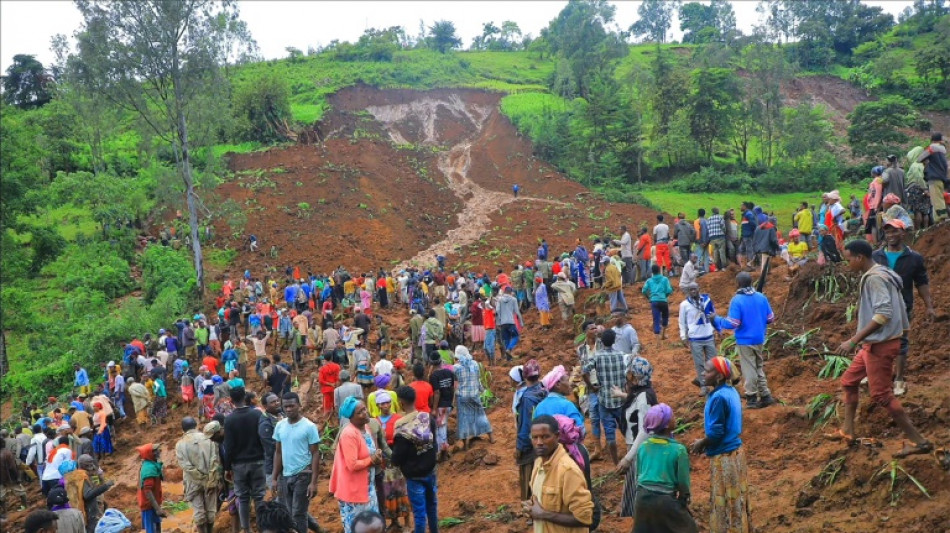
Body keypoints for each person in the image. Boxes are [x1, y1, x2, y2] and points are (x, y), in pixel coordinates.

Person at [829, 240, 933, 458]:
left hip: (880, 345)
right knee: (849, 382)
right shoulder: (883, 272)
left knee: (882, 395)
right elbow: (899, 307)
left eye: (849, 259)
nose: (847, 264)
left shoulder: (875, 278)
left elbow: (883, 314)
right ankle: (847, 431)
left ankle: (919, 442)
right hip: (874, 344)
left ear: (860, 258)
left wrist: (853, 340)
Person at [872, 219, 936, 397]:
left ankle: (899, 379)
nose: (891, 235)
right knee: (876, 339)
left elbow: (921, 283)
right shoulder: (876, 256)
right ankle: (876, 374)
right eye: (888, 232)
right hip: (878, 306)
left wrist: (929, 306)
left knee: (900, 342)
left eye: (895, 232)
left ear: (903, 233)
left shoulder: (914, 258)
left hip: (903, 305)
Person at [690, 357, 751, 533]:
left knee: (726, 501)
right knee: (737, 499)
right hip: (736, 453)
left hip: (725, 457)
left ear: (718, 376)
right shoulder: (730, 391)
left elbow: (716, 433)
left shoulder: (718, 398)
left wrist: (701, 443)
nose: (702, 373)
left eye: (707, 370)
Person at [713, 272, 777, 409]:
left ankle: (752, 397)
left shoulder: (737, 300)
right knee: (758, 366)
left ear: (738, 284)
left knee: (749, 368)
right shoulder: (761, 297)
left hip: (745, 340)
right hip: (759, 338)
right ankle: (765, 395)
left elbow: (732, 323)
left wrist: (716, 319)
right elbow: (771, 318)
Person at [631, 404, 696, 533]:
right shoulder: (678, 450)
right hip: (665, 501)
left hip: (642, 500)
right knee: (689, 528)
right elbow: (683, 482)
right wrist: (684, 499)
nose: (675, 418)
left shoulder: (644, 446)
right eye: (672, 415)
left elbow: (637, 475)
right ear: (666, 425)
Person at [524, 415, 594, 533]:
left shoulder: (568, 471)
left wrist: (543, 514)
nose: (539, 442)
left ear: (557, 436)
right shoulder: (538, 464)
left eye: (545, 437)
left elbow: (584, 518)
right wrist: (531, 508)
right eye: (534, 437)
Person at [329, 398, 382, 533]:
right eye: (360, 412)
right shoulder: (349, 434)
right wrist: (372, 460)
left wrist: (377, 456)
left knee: (370, 527)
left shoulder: (366, 428)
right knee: (358, 528)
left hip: (367, 488)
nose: (365, 413)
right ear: (351, 417)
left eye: (364, 409)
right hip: (353, 491)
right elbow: (352, 464)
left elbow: (370, 452)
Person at [390, 386, 438, 533]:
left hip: (414, 476)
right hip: (431, 470)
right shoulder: (427, 418)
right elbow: (434, 443)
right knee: (432, 506)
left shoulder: (401, 427)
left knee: (419, 513)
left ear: (401, 403)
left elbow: (397, 457)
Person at [272, 392, 322, 533]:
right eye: (285, 406)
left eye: (292, 406)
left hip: (303, 474)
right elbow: (278, 452)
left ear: (299, 405)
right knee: (288, 511)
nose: (288, 409)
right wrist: (275, 478)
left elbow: (315, 453)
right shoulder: (280, 426)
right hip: (285, 475)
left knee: (298, 513)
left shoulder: (309, 427)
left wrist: (313, 482)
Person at [223, 386, 266, 533]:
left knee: (243, 498)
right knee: (259, 496)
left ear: (230, 401)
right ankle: (262, 527)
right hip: (258, 462)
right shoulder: (257, 415)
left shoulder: (229, 420)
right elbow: (263, 438)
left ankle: (246, 529)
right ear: (245, 397)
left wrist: (227, 467)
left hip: (239, 465)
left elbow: (228, 446)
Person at [582, 329, 626, 465]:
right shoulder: (621, 355)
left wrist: (591, 387)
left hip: (604, 399)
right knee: (625, 428)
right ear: (613, 341)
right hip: (620, 398)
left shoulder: (597, 356)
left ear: (602, 342)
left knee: (610, 433)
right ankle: (632, 455)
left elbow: (584, 371)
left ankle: (616, 463)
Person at [175, 417, 221, 533]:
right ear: (196, 425)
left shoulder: (180, 444)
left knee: (199, 512)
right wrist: (210, 479)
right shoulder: (208, 438)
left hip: (193, 482)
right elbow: (215, 460)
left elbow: (186, 466)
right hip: (211, 480)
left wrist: (200, 478)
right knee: (211, 511)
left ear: (183, 429)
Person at [374, 393, 411, 531]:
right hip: (383, 464)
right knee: (388, 492)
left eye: (387, 402)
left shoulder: (398, 419)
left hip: (397, 460)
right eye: (382, 404)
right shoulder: (375, 421)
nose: (385, 406)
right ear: (378, 405)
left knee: (401, 490)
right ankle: (394, 521)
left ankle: (407, 522)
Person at [678, 282, 719, 395]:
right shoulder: (684, 305)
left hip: (708, 336)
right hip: (695, 338)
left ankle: (714, 384)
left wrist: (717, 328)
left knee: (713, 362)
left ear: (699, 288)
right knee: (699, 363)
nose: (693, 291)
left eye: (694, 289)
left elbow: (713, 314)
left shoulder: (706, 301)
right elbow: (682, 322)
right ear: (688, 291)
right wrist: (683, 336)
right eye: (690, 290)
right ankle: (703, 386)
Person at [453, 346, 494, 449]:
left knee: (464, 420)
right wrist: (482, 390)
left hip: (462, 396)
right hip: (474, 394)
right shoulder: (475, 364)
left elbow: (455, 383)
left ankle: (466, 445)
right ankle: (491, 437)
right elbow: (478, 379)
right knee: (481, 415)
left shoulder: (456, 367)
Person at [535, 365, 584, 430]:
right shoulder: (567, 405)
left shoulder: (539, 407)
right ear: (558, 384)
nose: (570, 384)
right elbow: (581, 430)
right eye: (567, 380)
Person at [917, 132, 948, 222]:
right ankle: (937, 220)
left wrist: (926, 161)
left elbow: (919, 159)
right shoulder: (943, 150)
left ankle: (942, 217)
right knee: (937, 199)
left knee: (936, 200)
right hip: (942, 178)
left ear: (932, 140)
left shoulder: (932, 148)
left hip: (933, 178)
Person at [137, 443, 165, 533]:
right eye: (156, 451)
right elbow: (147, 491)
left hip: (153, 503)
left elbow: (162, 477)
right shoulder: (148, 469)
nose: (159, 452)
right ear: (150, 453)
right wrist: (157, 509)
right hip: (149, 504)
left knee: (157, 527)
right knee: (151, 529)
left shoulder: (152, 464)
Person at [642, 265, 673, 341]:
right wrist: (665, 296)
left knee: (656, 319)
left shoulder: (649, 280)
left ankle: (657, 341)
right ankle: (663, 335)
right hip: (663, 301)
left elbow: (644, 291)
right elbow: (669, 290)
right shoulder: (665, 279)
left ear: (652, 272)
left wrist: (649, 298)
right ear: (659, 270)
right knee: (665, 317)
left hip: (654, 301)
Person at [0, 438, 27, 518]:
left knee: (1, 496)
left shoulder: (6, 453)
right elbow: (13, 467)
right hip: (11, 478)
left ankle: (5, 511)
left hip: (1, 480)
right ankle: (24, 506)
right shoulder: (8, 453)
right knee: (21, 492)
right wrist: (18, 477)